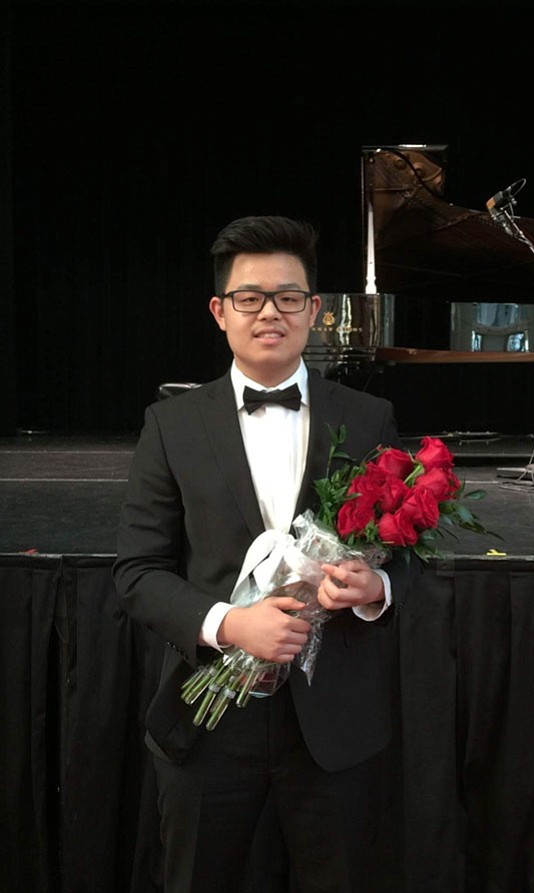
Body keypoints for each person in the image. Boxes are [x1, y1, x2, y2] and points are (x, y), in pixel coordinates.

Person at [112, 215, 416, 893]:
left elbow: (409, 557)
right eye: (249, 297)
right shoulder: (172, 425)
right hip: (208, 721)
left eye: (288, 296)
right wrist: (229, 624)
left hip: (334, 725)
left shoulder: (369, 418)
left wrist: (375, 587)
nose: (269, 312)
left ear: (314, 310)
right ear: (220, 311)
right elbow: (136, 571)